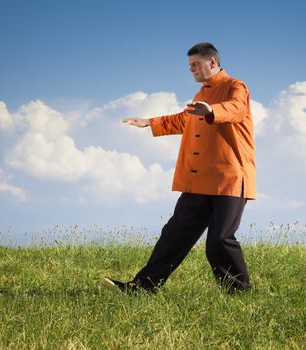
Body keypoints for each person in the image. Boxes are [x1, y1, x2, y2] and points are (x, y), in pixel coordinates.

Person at [103, 42, 256, 293]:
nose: (191, 70)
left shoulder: (234, 86)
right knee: (174, 235)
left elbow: (236, 109)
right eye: (189, 66)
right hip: (200, 181)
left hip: (229, 178)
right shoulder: (201, 94)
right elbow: (184, 120)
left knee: (219, 240)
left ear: (213, 62)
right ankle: (142, 288)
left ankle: (239, 294)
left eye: (195, 64)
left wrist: (212, 111)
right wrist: (149, 123)